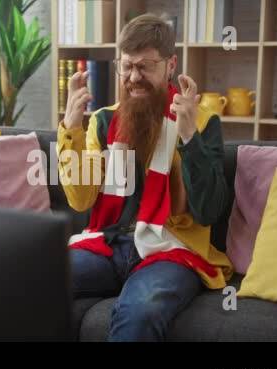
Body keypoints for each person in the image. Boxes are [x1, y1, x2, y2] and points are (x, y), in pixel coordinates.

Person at [57, 14, 233, 342]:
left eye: (145, 66)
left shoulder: (202, 121)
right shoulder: (102, 121)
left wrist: (189, 137)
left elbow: (209, 211)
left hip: (171, 248)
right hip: (107, 244)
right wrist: (71, 128)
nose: (134, 77)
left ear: (171, 64)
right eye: (127, 66)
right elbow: (81, 199)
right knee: (35, 276)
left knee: (143, 309)